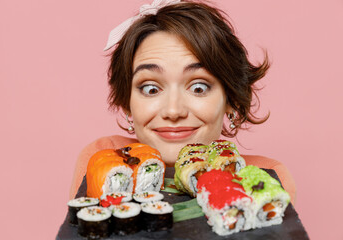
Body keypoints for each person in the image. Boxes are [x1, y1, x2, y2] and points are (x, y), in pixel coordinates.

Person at [69, 0, 296, 204]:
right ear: (128, 102)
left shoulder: (266, 177)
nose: (173, 110)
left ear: (231, 98)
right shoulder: (105, 157)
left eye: (199, 87)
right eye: (150, 88)